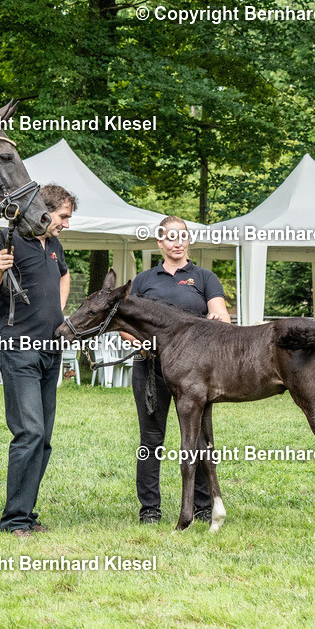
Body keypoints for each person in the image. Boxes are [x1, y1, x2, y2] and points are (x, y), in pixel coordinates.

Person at [0, 184, 77, 538]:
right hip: (19, 349)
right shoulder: (7, 238)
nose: (66, 223)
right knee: (29, 431)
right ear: (45, 212)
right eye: (63, 216)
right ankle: (15, 521)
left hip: (51, 348)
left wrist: (59, 312)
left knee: (44, 437)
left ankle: (26, 513)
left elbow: (64, 275)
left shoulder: (54, 245)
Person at [126, 215, 231, 525]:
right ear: (160, 242)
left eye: (182, 236)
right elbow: (125, 327)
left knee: (196, 437)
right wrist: (140, 343)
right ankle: (150, 510)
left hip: (195, 374)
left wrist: (216, 323)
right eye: (170, 237)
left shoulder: (204, 277)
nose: (177, 242)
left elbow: (221, 317)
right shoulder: (144, 280)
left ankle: (201, 506)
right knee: (151, 440)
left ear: (188, 241)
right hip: (151, 370)